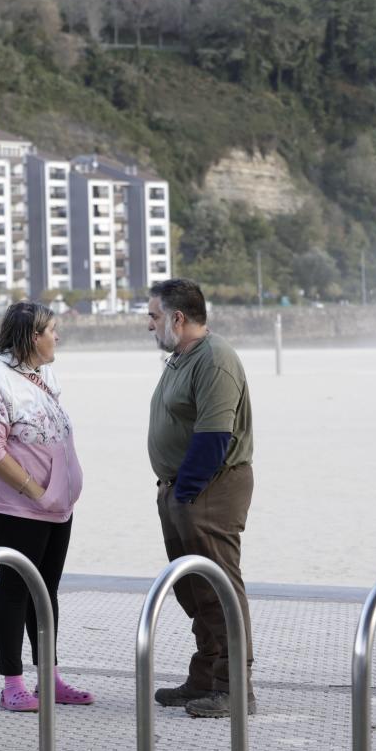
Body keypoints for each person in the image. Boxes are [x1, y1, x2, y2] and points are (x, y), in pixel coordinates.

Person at [0, 301, 92, 712]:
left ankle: (49, 677)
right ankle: (12, 683)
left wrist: (58, 489)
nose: (58, 337)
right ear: (31, 336)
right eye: (52, 330)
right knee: (16, 588)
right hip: (19, 505)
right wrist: (34, 490)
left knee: (47, 589)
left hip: (58, 504)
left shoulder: (44, 372)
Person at [145, 278, 257, 718]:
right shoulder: (180, 357)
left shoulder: (216, 360)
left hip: (211, 488)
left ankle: (235, 688)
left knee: (219, 587)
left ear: (178, 318)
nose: (149, 325)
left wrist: (186, 494)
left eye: (154, 317)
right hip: (181, 489)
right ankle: (205, 678)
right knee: (193, 590)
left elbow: (214, 436)